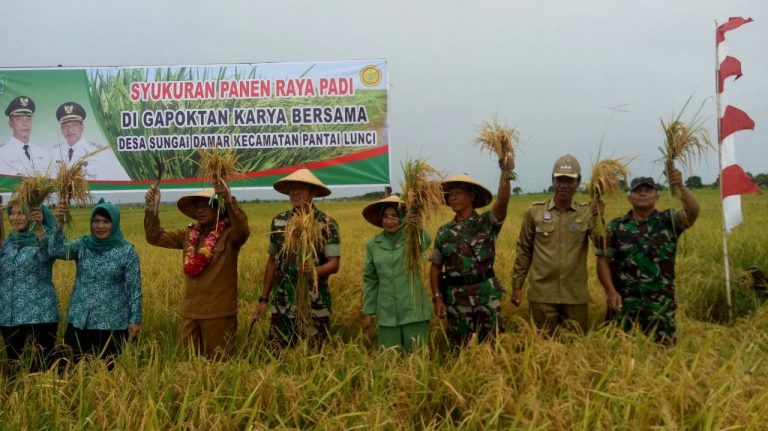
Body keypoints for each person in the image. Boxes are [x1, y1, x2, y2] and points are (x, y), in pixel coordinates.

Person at [144, 181, 250, 359]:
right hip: (190, 312)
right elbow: (155, 237)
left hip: (219, 313)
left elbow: (243, 229)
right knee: (188, 363)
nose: (200, 210)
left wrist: (228, 199)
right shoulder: (188, 235)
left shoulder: (230, 236)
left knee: (220, 364)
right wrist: (152, 208)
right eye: (197, 206)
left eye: (206, 205)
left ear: (219, 209)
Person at [596, 170, 699, 343]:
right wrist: (610, 291)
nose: (642, 193)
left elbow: (693, 212)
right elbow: (602, 260)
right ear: (629, 198)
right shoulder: (616, 226)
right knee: (619, 354)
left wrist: (679, 185)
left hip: (660, 306)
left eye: (648, 190)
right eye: (637, 190)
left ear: (656, 197)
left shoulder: (668, 221)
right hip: (624, 305)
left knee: (662, 355)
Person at [429, 157, 513, 347]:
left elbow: (503, 201)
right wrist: (437, 298)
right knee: (460, 348)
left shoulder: (486, 223)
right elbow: (435, 268)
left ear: (472, 196)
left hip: (487, 294)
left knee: (493, 344)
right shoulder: (444, 232)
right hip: (456, 299)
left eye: (458, 193)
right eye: (450, 195)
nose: (453, 198)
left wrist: (506, 174)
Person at [254, 168, 341, 351]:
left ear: (313, 192)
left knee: (315, 357)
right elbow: (272, 262)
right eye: (292, 188)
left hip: (314, 304)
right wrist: (263, 299)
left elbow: (334, 264)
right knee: (278, 354)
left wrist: (314, 271)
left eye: (301, 188)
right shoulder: (279, 222)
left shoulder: (326, 223)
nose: (295, 192)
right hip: (282, 304)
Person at [511, 154, 598, 335]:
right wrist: (517, 286)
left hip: (575, 297)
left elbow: (602, 244)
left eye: (569, 180)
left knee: (576, 349)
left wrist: (599, 218)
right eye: (559, 179)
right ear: (552, 180)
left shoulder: (587, 213)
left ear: (578, 182)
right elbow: (524, 250)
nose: (564, 185)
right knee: (542, 349)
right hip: (542, 296)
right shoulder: (535, 212)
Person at [50, 201, 142, 365]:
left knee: (108, 377)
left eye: (106, 222)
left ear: (114, 223)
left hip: (111, 322)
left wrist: (135, 320)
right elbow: (56, 251)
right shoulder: (83, 245)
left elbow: (134, 288)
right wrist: (59, 223)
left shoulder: (126, 251)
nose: (100, 226)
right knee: (71, 370)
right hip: (80, 320)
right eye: (96, 221)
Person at [361, 195, 432, 352]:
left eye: (394, 216)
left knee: (417, 360)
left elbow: (427, 241)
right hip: (386, 314)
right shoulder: (373, 244)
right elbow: (371, 280)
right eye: (386, 216)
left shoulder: (412, 238)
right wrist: (368, 312)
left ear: (402, 218)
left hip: (413, 311)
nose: (389, 221)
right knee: (389, 362)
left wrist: (418, 226)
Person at [0, 204, 60, 373]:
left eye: (21, 213)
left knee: (41, 370)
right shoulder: (8, 245)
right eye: (12, 213)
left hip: (39, 317)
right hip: (9, 316)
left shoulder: (42, 239)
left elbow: (56, 250)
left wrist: (42, 227)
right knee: (14, 371)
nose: (15, 217)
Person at [51, 101, 131, 180]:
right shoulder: (54, 152)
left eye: (74, 125)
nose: (70, 130)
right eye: (65, 126)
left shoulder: (99, 152)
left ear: (82, 128)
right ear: (61, 130)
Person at [0, 96, 50, 175]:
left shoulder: (41, 151)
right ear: (10, 123)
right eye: (19, 119)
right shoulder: (2, 153)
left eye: (28, 119)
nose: (25, 124)